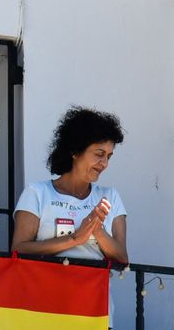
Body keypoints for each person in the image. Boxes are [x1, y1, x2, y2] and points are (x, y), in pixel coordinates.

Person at [12, 106, 129, 264]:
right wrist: (75, 238)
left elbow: (122, 258)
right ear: (75, 151)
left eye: (109, 156)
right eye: (99, 154)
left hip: (93, 287)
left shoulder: (110, 197)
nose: (105, 163)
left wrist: (96, 228)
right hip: (44, 286)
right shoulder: (37, 193)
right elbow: (18, 249)